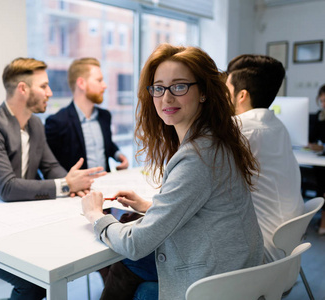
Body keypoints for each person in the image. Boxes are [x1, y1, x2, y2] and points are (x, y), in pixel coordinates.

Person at [81, 44, 264, 300]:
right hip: (236, 270)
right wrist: (150, 206)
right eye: (159, 87)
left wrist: (95, 216)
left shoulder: (197, 156)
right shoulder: (216, 139)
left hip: (216, 283)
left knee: (127, 263)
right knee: (126, 267)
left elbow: (136, 244)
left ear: (203, 93)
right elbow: (206, 206)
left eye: (179, 86)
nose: (166, 98)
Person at [0, 57, 106, 300]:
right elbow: (7, 188)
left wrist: (74, 183)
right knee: (33, 284)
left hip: (11, 221)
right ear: (23, 89)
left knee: (63, 258)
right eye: (43, 86)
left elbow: (52, 167)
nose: (50, 92)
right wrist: (67, 185)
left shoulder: (35, 125)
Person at [226, 54, 304, 260]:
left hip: (259, 254)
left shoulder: (237, 131)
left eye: (226, 90)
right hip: (287, 253)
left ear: (241, 95)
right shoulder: (278, 126)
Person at [45, 57, 128, 172]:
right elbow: (50, 166)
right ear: (81, 83)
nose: (104, 86)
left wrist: (118, 155)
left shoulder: (105, 116)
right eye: (99, 80)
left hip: (106, 184)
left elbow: (106, 145)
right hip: (78, 189)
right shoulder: (57, 122)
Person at [307, 84, 325, 235]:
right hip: (319, 163)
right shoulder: (319, 116)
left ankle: (323, 224)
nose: (324, 104)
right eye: (322, 101)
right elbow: (312, 137)